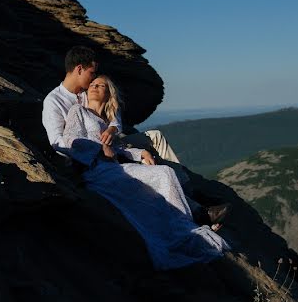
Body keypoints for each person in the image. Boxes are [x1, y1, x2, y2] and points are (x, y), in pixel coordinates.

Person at [62, 75, 230, 270]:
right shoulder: (78, 111)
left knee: (165, 172)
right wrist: (99, 150)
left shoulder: (108, 122)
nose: (94, 87)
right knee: (153, 184)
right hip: (97, 170)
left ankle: (185, 226)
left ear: (109, 93)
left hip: (116, 167)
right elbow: (71, 141)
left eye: (101, 85)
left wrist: (141, 152)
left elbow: (119, 148)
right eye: (92, 84)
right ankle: (190, 227)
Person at [41, 46, 181, 163]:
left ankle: (183, 180)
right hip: (90, 158)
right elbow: (57, 142)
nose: (94, 77)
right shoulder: (54, 101)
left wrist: (112, 129)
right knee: (145, 156)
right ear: (79, 69)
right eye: (92, 73)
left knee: (155, 137)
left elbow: (113, 111)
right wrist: (97, 150)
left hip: (113, 144)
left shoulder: (87, 91)